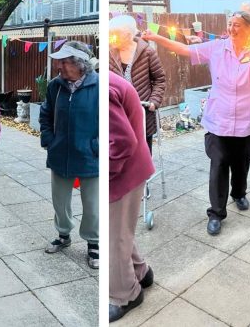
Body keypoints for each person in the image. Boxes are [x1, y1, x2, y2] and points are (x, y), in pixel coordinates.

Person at [142, 9, 250, 235]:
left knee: (243, 159)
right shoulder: (217, 48)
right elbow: (184, 49)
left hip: (247, 117)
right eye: (230, 24)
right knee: (219, 162)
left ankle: (239, 193)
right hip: (220, 117)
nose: (231, 28)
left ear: (249, 29)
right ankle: (216, 213)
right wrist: (156, 37)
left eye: (237, 25)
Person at [39, 41, 100, 268]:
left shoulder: (99, 87)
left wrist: (98, 146)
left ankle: (94, 243)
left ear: (80, 64)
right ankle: (63, 235)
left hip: (90, 156)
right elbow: (46, 113)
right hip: (60, 153)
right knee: (60, 201)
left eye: (64, 62)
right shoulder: (56, 86)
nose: (59, 67)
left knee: (92, 204)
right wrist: (48, 139)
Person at [110, 71, 155, 322]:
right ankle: (141, 272)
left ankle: (126, 295)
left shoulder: (105, 89)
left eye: (63, 63)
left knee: (115, 238)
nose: (59, 68)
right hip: (131, 167)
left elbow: (123, 141)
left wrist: (107, 171)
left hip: (123, 172)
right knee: (120, 231)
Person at [110, 15, 167, 152]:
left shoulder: (147, 52)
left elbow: (160, 79)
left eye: (116, 35)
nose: (112, 38)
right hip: (117, 113)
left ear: (128, 34)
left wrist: (154, 100)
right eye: (111, 34)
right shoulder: (109, 52)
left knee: (143, 154)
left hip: (142, 112)